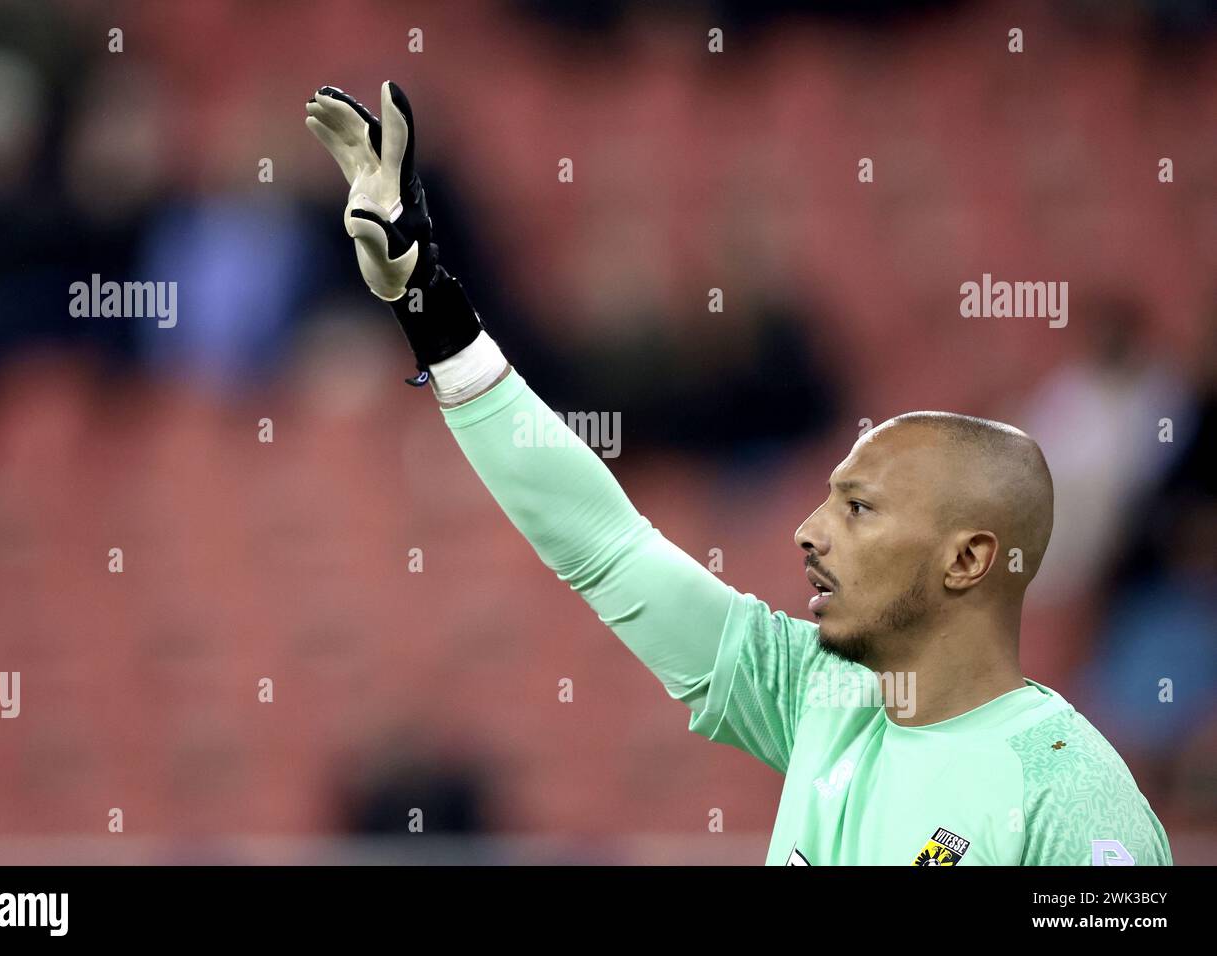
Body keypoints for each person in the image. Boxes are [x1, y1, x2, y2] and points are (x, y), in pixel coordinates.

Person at [303, 81, 1172, 865]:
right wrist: (429, 306)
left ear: (968, 559)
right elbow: (601, 543)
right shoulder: (813, 698)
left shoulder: (1069, 797)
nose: (809, 530)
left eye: (860, 509)